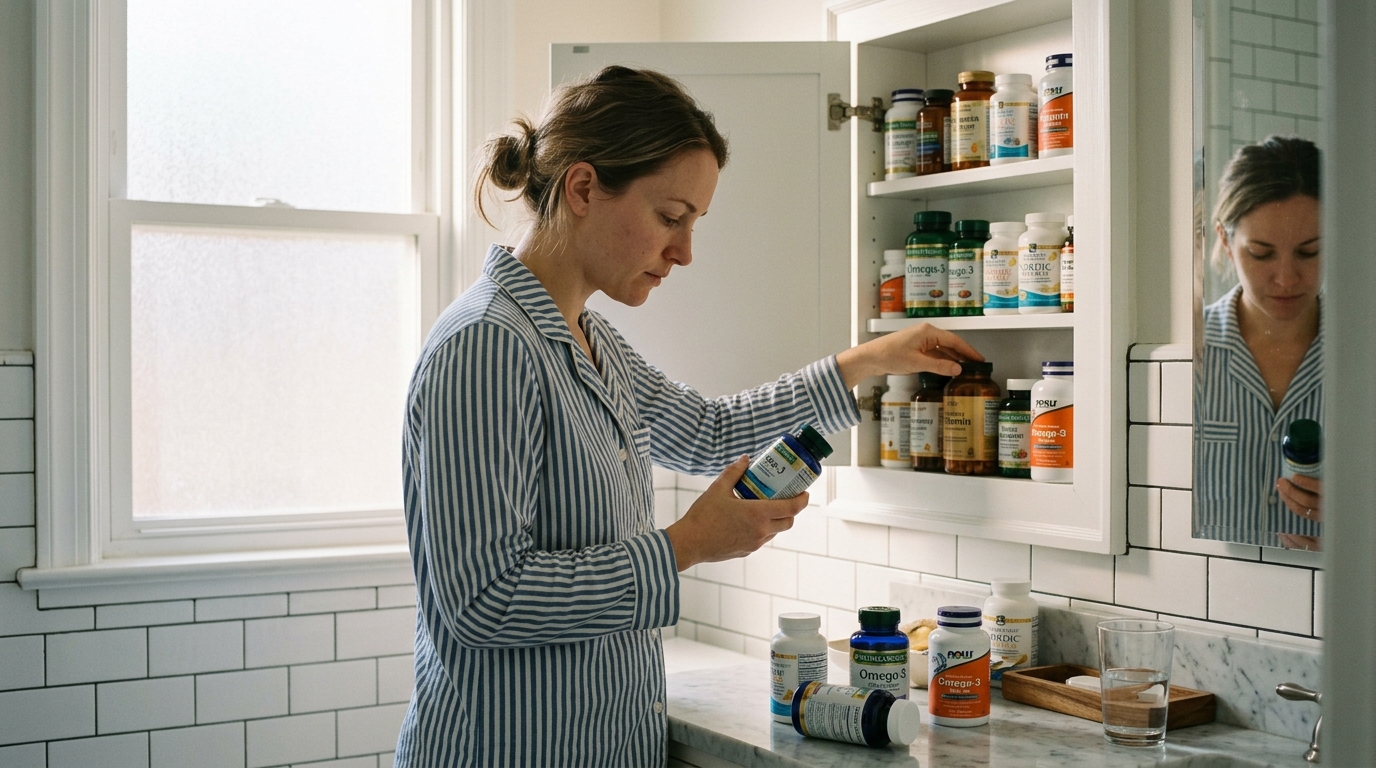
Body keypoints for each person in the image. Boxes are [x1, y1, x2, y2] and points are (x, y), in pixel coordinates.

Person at [393, 66, 982, 767]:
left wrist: (867, 361)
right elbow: (480, 603)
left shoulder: (591, 338)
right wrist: (685, 545)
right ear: (583, 188)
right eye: (670, 217)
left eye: (693, 223)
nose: (685, 251)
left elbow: (706, 432)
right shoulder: (487, 347)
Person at [1195, 136, 1321, 550]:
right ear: (1226, 243)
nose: (1286, 279)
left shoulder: (1363, 358)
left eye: (1309, 252)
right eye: (1262, 254)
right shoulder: (1188, 355)